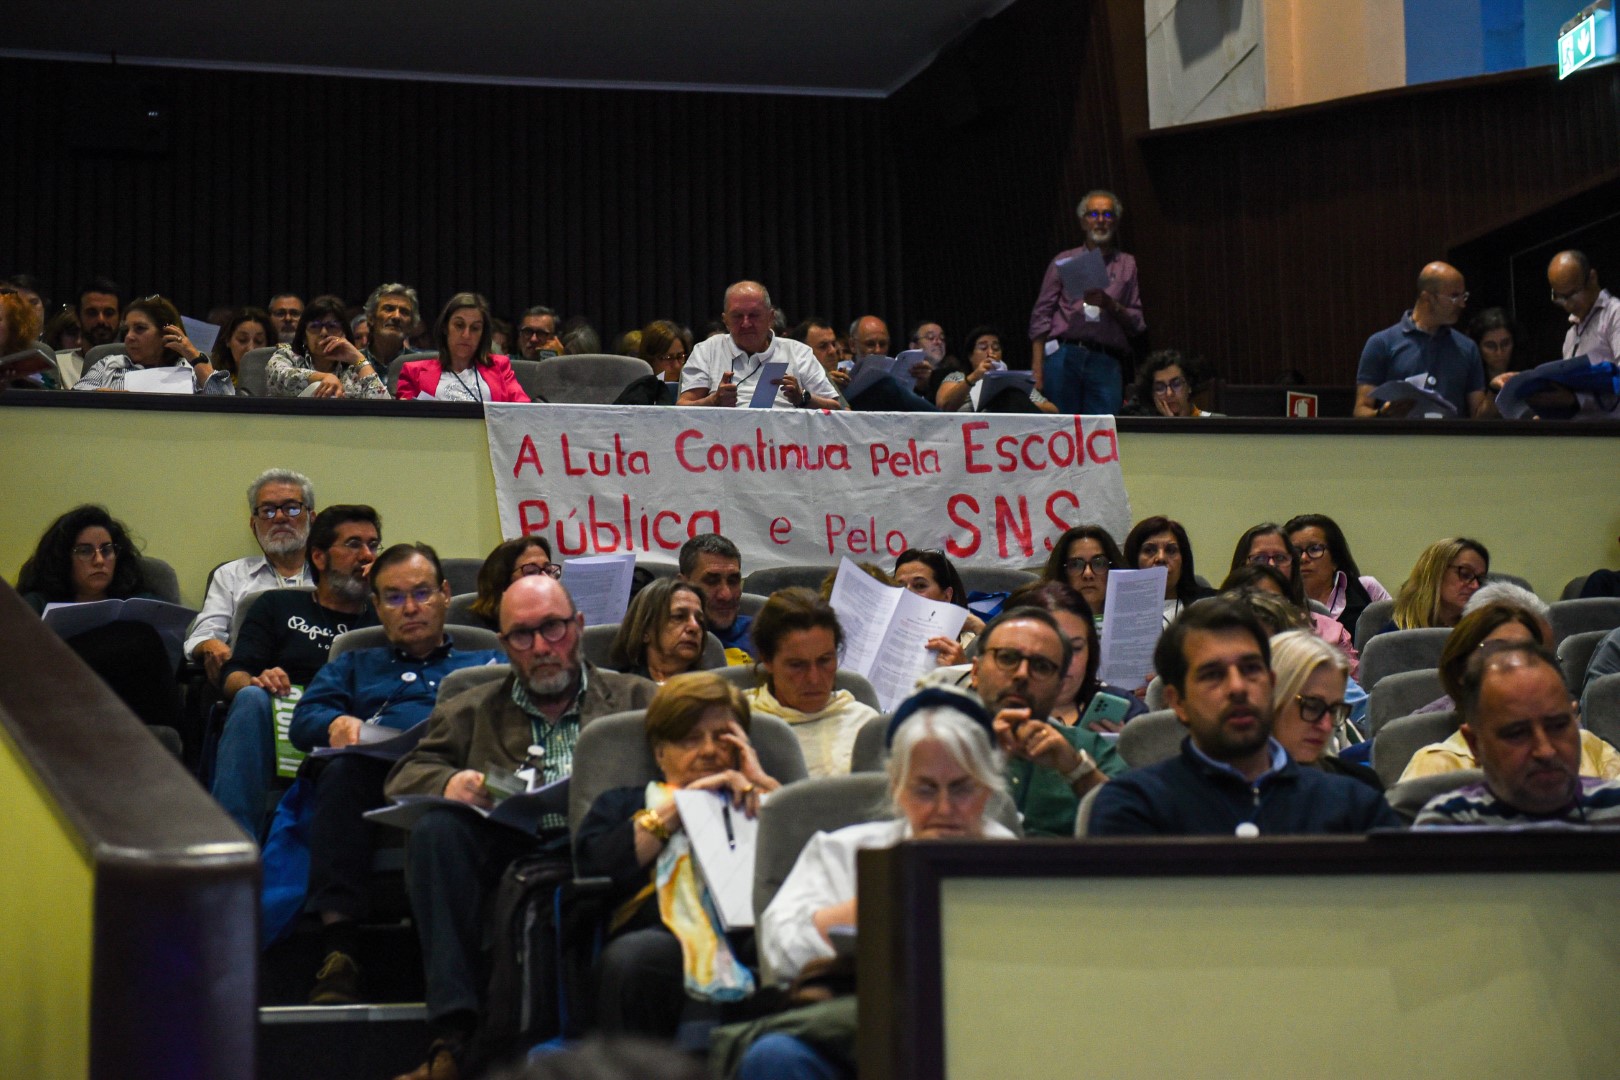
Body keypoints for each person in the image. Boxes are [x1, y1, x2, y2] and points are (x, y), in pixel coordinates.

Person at [384, 573, 657, 1079]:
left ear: (578, 626)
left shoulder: (638, 700)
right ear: (505, 645)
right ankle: (453, 1036)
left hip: (612, 845)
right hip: (513, 844)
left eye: (553, 628)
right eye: (522, 636)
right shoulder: (470, 709)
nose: (542, 647)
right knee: (437, 832)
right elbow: (406, 774)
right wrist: (451, 782)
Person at [730, 690, 1017, 1080]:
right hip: (860, 1032)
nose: (945, 809)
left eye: (962, 788)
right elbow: (780, 953)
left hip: (987, 1032)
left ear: (987, 790)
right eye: (925, 789)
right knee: (774, 1057)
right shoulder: (841, 851)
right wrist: (878, 894)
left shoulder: (1014, 861)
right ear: (897, 788)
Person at [289, 543, 503, 1008]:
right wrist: (334, 723)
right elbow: (303, 721)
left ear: (445, 595)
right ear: (376, 605)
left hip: (460, 773)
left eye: (422, 593)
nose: (410, 608)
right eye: (394, 597)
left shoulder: (485, 662)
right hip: (375, 773)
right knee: (341, 772)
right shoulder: (354, 664)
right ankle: (340, 950)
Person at [573, 671, 784, 1039]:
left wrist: (766, 788)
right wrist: (681, 807)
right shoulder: (626, 803)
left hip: (751, 930)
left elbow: (810, 869)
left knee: (796, 947)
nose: (709, 751)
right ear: (660, 752)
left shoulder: (759, 800)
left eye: (723, 738)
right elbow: (597, 867)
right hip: (661, 936)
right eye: (690, 739)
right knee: (634, 959)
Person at [1087, 600, 1401, 836]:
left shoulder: (1354, 805)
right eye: (1213, 674)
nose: (1237, 687)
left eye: (1251, 669)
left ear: (1272, 684)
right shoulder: (1135, 806)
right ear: (1178, 702)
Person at [209, 505, 381, 839]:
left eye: (373, 546)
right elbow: (233, 674)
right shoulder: (277, 605)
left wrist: (387, 594)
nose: (366, 556)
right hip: (287, 718)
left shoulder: (386, 615)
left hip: (359, 722)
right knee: (250, 698)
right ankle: (233, 846)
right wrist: (257, 681)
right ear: (319, 557)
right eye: (353, 544)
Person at [1399, 598, 1620, 782]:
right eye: (1501, 655)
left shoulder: (1589, 746)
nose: (1518, 667)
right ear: (1461, 672)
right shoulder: (1437, 766)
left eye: (1530, 653)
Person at [16, 505, 185, 737]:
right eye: (85, 551)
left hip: (136, 712)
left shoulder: (142, 602)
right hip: (64, 708)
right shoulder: (37, 604)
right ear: (64, 558)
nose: (99, 560)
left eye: (107, 550)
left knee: (143, 637)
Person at [1414, 642, 1620, 826]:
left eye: (1558, 726)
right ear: (1474, 743)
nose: (1546, 751)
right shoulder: (1448, 824)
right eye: (1517, 733)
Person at [970, 605, 1118, 835]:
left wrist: (1077, 771)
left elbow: (1139, 837)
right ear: (975, 672)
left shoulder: (1090, 750)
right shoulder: (934, 742)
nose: (1022, 674)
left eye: (1041, 666)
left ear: (1060, 686)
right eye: (1007, 658)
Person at [184, 469, 319, 683]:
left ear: (312, 518)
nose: (279, 517)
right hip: (251, 682)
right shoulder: (231, 575)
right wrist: (210, 645)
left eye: (292, 508)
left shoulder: (333, 576)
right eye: (267, 510)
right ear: (253, 525)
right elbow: (202, 635)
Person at [1028, 189, 1144, 415]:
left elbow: (1137, 323)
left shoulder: (1127, 264)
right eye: (1093, 214)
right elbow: (1041, 315)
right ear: (1083, 221)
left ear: (1116, 222)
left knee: (1103, 429)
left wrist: (1111, 305)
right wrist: (1037, 368)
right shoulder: (1064, 260)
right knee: (1061, 426)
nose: (1100, 220)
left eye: (1107, 214)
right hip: (1064, 355)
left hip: (1106, 359)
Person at [744, 589, 878, 777]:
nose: (814, 679)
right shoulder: (740, 725)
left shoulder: (865, 724)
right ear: (767, 660)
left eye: (824, 661)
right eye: (797, 665)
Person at [677, 281, 841, 410]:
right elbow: (682, 408)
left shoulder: (798, 352)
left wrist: (802, 398)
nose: (746, 323)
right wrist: (713, 401)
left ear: (770, 318)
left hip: (787, 439)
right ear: (725, 320)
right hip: (723, 438)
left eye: (754, 315)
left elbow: (837, 409)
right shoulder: (707, 350)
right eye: (737, 316)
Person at [1008, 581, 1147, 733]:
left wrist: (1126, 745)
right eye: (1047, 648)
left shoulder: (1126, 711)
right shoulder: (994, 714)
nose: (1063, 661)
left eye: (1075, 648)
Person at [1354, 261, 1487, 419]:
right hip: (1401, 434)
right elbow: (1361, 410)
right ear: (1427, 298)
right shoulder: (1381, 343)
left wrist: (1495, 393)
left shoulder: (1467, 347)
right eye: (1454, 296)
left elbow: (1479, 418)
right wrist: (1382, 415)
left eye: (1463, 296)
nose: (1462, 304)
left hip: (1451, 435)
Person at [1224, 526, 1359, 672]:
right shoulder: (1218, 627)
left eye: (1280, 558)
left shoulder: (1331, 632)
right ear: (1242, 565)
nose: (1271, 565)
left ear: (1293, 566)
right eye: (1260, 558)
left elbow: (1349, 684)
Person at [1266, 630, 1379, 790]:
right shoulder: (1232, 793)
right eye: (1312, 706)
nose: (1326, 726)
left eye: (1334, 710)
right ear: (1272, 699)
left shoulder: (1360, 787)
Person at [397, 292, 529, 402]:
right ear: (445, 328)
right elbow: (404, 421)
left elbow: (524, 411)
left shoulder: (500, 367)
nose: (466, 335)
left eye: (475, 328)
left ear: (482, 333)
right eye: (459, 325)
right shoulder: (413, 372)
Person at [73, 294, 218, 391]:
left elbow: (224, 407)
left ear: (166, 334)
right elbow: (75, 399)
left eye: (140, 328)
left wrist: (195, 357)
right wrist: (100, 396)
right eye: (126, 330)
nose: (129, 337)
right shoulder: (108, 365)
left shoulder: (191, 370)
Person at [1282, 514, 1390, 638]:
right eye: (1295, 551)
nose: (1303, 558)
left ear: (1335, 559)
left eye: (1315, 549)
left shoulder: (1366, 588)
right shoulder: (1278, 601)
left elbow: (1399, 634)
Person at [265, 294, 390, 399]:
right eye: (315, 326)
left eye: (332, 326)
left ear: (344, 334)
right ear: (304, 336)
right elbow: (279, 378)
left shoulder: (354, 369)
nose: (324, 333)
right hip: (292, 421)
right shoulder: (286, 354)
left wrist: (360, 360)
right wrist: (324, 377)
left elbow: (382, 407)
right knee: (318, 386)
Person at [891, 548, 984, 665]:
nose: (907, 593)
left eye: (919, 586)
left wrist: (960, 667)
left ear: (947, 595)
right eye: (900, 586)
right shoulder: (881, 636)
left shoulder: (974, 643)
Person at [608, 578, 710, 683]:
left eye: (700, 620)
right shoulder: (618, 688)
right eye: (678, 617)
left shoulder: (712, 689)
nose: (695, 626)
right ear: (645, 630)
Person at [936, 326, 1054, 413]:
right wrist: (975, 376)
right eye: (983, 347)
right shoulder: (958, 377)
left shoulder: (1014, 382)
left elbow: (1053, 411)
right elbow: (944, 406)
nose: (990, 352)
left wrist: (1019, 402)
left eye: (996, 348)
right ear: (970, 356)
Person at [1124, 515, 1215, 626]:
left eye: (1171, 550)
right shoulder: (1119, 612)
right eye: (1149, 550)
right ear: (1134, 559)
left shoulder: (1208, 606)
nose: (1161, 558)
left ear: (1183, 560)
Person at [1389, 537, 1489, 631]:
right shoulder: (1394, 635)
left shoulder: (1482, 632)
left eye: (1480, 580)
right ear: (1436, 572)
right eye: (1465, 574)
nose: (1476, 586)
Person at [678, 534, 752, 657]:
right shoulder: (664, 644)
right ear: (683, 585)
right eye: (711, 581)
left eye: (733, 581)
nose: (726, 595)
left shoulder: (765, 636)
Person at [464, 536, 559, 630]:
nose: (546, 578)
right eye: (531, 572)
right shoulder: (479, 633)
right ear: (503, 582)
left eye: (548, 570)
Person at [1040, 524, 1124, 628]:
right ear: (1062, 572)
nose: (1088, 574)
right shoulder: (1045, 625)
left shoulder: (1133, 618)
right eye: (1075, 565)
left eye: (1099, 563)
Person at [1135, 350, 1219, 417]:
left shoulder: (1215, 423)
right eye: (1160, 388)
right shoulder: (1146, 430)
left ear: (1189, 386)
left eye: (1176, 384)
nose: (1169, 393)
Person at [210, 307, 277, 383]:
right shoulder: (213, 379)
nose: (251, 349)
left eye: (259, 341)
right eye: (242, 340)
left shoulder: (276, 383)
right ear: (228, 340)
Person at [636, 319, 689, 386]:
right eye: (668, 357)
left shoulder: (692, 387)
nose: (677, 366)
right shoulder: (638, 390)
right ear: (650, 359)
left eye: (680, 356)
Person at [76, 277, 122, 349]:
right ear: (78, 317)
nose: (101, 320)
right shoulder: (59, 357)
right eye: (92, 313)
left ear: (120, 317)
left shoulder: (135, 356)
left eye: (109, 313)